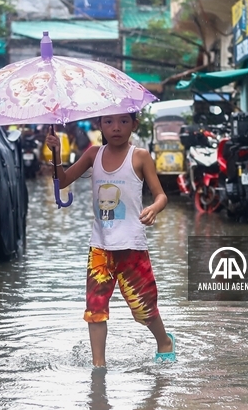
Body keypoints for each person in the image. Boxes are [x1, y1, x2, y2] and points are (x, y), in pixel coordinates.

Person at [45, 113, 176, 368]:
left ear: (134, 124)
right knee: (95, 309)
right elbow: (63, 180)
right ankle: (98, 365)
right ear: (100, 125)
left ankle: (165, 342)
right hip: (100, 248)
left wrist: (154, 208)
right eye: (109, 122)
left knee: (144, 307)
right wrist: (56, 154)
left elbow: (161, 195)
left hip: (132, 247)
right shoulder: (93, 155)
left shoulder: (140, 157)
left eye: (124, 122)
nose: (116, 128)